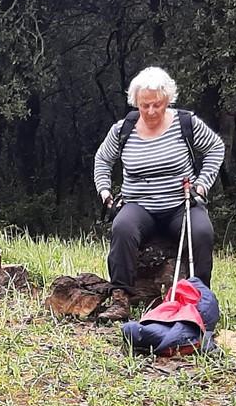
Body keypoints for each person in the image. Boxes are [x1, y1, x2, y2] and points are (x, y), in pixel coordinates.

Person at [94, 67, 226, 295]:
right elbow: (102, 159)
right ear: (136, 102)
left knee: (202, 232)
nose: (152, 110)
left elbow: (216, 147)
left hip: (180, 204)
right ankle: (120, 296)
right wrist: (105, 192)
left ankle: (200, 297)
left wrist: (203, 183)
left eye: (157, 104)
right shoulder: (122, 130)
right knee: (122, 228)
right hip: (138, 204)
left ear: (168, 100)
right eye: (145, 105)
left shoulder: (186, 123)